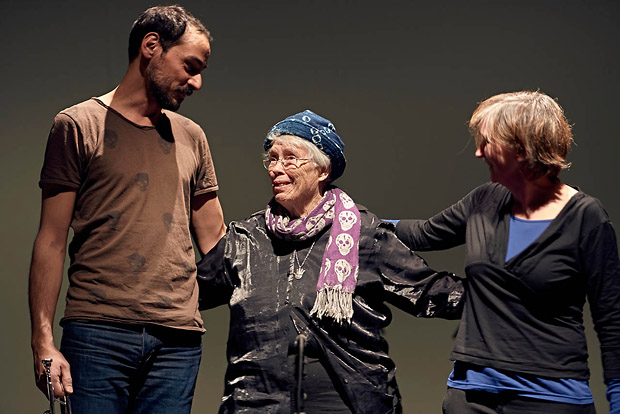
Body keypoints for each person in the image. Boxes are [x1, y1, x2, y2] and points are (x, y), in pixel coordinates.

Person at [197, 109, 464, 413]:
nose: (276, 168)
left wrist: (510, 292)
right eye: (272, 158)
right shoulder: (245, 239)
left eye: (290, 158)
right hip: (256, 403)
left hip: (347, 403)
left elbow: (432, 292)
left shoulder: (365, 237)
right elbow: (184, 294)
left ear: (322, 170)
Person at [29, 5, 225, 413]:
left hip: (178, 342)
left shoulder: (192, 136)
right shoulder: (77, 125)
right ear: (151, 46)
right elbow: (51, 238)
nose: (198, 81)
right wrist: (43, 341)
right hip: (97, 332)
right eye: (190, 65)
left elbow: (217, 244)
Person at [393, 91, 620, 413]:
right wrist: (346, 215)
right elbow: (424, 233)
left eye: (487, 142)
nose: (477, 152)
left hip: (551, 397)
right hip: (471, 396)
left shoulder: (586, 217)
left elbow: (611, 318)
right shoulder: (485, 200)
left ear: (522, 146)